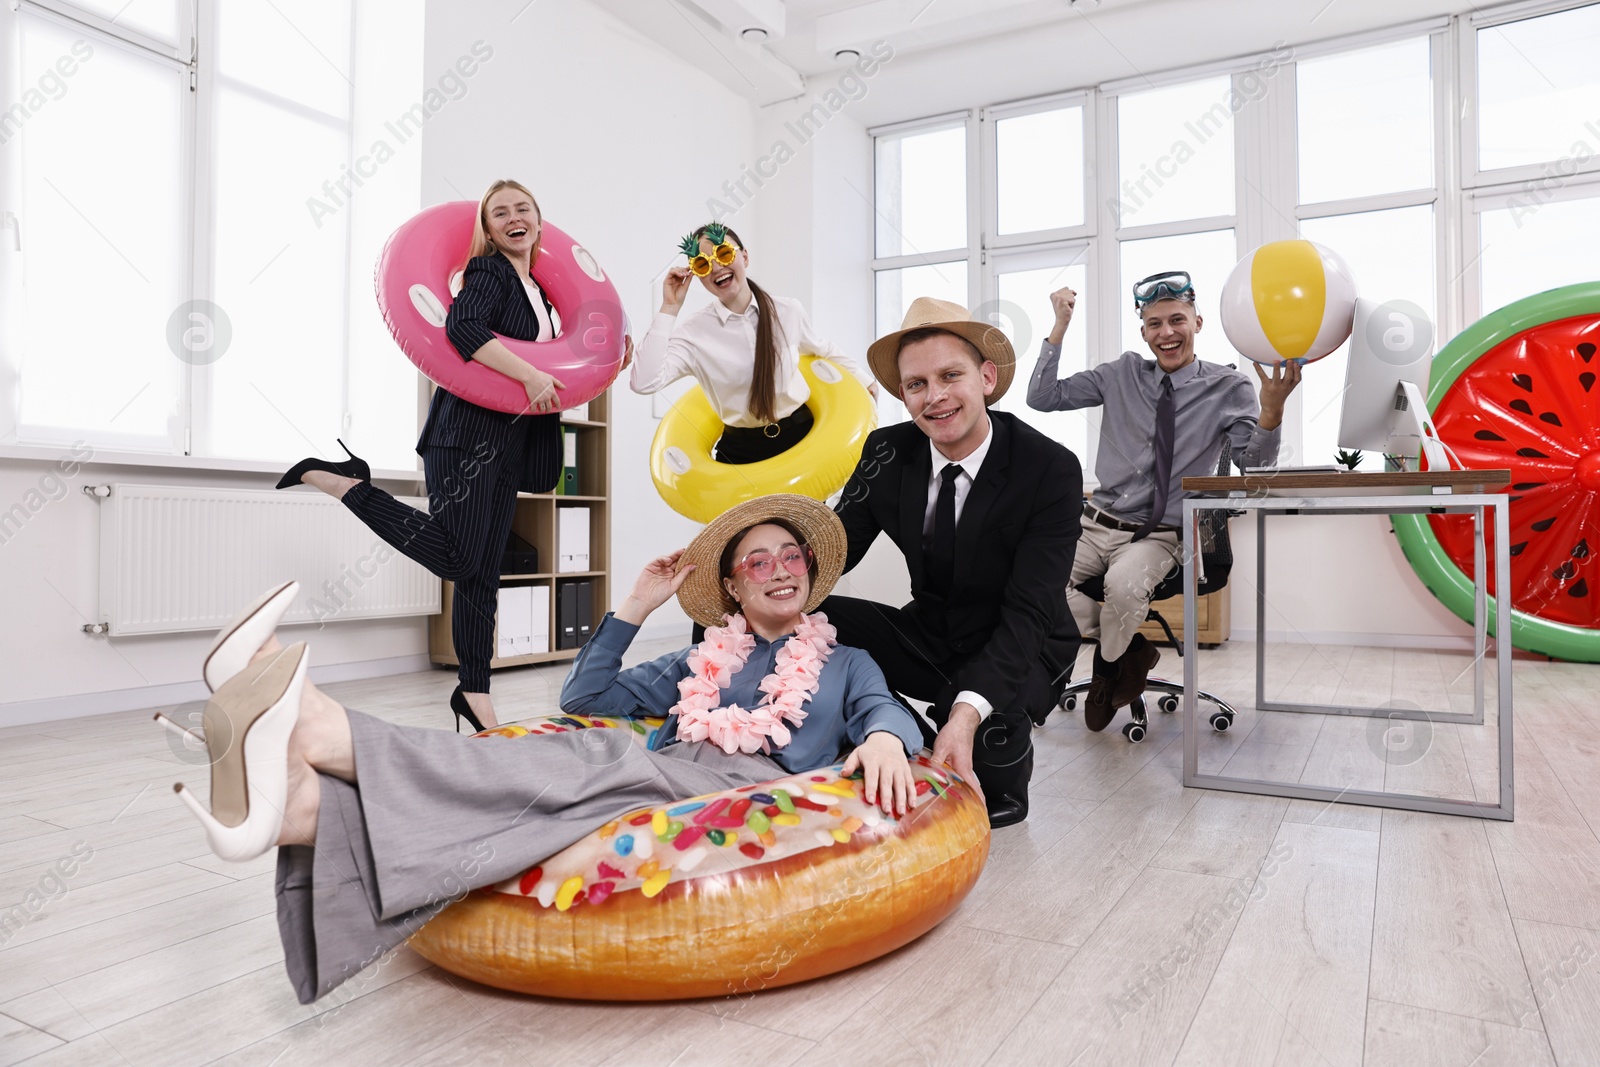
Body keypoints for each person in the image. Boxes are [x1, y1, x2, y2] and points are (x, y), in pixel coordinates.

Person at [155, 494, 924, 1004]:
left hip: (736, 789)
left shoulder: (844, 660)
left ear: (811, 571)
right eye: (758, 560)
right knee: (580, 759)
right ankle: (302, 807)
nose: (779, 569)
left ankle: (330, 734)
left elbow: (885, 710)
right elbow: (585, 698)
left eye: (791, 556)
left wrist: (888, 734)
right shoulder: (701, 660)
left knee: (598, 760)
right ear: (731, 585)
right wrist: (633, 606)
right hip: (666, 769)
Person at [277, 179, 630, 734]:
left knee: (481, 578)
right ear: (487, 229)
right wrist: (532, 373)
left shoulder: (540, 290)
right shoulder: (488, 273)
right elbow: (463, 329)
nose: (514, 218)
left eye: (523, 209)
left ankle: (475, 692)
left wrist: (604, 362)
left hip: (511, 444)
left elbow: (564, 364)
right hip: (464, 438)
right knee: (464, 562)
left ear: (539, 220)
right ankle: (350, 485)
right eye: (500, 213)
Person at [821, 297, 1084, 829]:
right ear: (902, 394)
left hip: (1020, 643)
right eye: (916, 384)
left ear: (987, 377)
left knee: (978, 797)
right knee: (794, 617)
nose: (934, 397)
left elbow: (1031, 608)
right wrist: (760, 566)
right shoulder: (886, 451)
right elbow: (835, 551)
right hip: (931, 631)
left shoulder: (1049, 466)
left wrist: (965, 713)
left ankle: (949, 717)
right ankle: (883, 725)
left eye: (950, 375)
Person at [1025, 271, 1300, 732]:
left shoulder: (1228, 387)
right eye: (1155, 324)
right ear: (1144, 332)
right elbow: (1042, 397)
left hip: (1160, 534)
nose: (1166, 333)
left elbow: (1255, 468)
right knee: (1034, 580)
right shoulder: (1121, 374)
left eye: (1177, 320)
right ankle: (1129, 650)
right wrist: (1060, 326)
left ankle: (1107, 671)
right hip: (1096, 523)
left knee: (1125, 586)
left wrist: (1271, 412)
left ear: (1198, 322)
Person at [631, 221, 875, 465]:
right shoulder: (693, 333)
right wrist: (670, 307)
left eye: (724, 253)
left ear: (744, 257)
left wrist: (867, 382)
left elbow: (823, 349)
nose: (717, 267)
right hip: (740, 451)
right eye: (703, 264)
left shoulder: (788, 311)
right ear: (697, 275)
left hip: (801, 436)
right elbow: (644, 381)